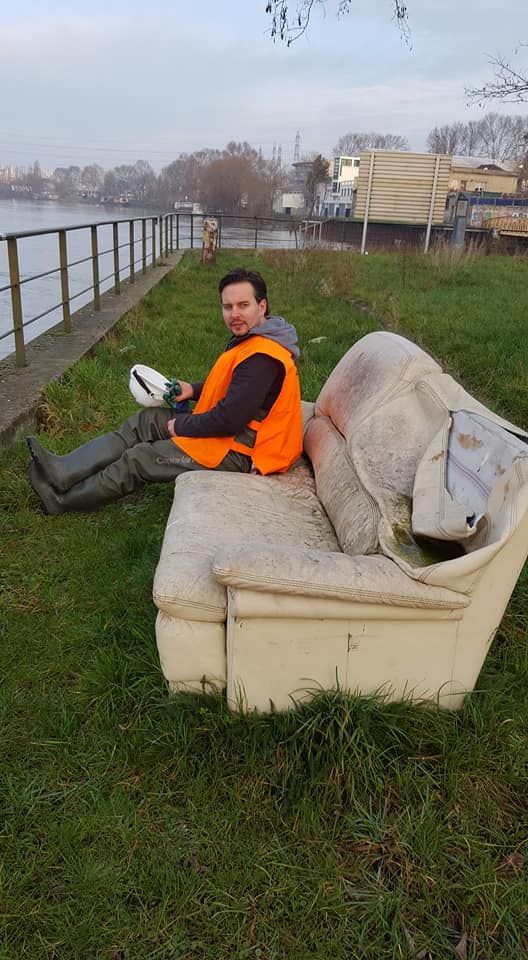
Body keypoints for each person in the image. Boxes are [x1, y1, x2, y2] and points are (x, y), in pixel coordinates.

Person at [27, 267, 303, 515]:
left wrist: (182, 424)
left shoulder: (263, 358)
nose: (234, 314)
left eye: (243, 305)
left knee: (142, 459)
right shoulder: (259, 338)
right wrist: (191, 389)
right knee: (145, 422)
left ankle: (61, 501)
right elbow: (238, 388)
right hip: (232, 437)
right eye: (228, 306)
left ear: (262, 305)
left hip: (240, 455)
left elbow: (229, 419)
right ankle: (64, 471)